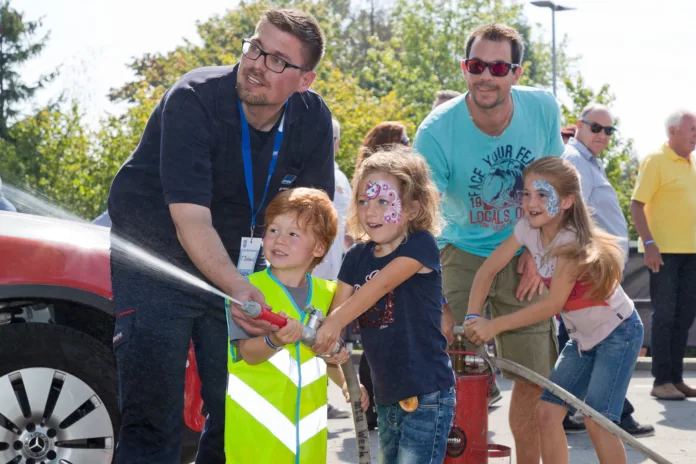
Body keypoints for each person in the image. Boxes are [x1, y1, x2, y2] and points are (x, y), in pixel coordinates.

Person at [106, 9, 335, 463]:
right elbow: (190, 220)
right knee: (153, 417)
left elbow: (311, 224)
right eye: (255, 48)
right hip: (157, 256)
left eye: (277, 61)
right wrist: (237, 288)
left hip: (237, 265)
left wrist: (313, 309)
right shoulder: (194, 98)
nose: (256, 64)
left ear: (305, 81)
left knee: (237, 409)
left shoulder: (313, 120)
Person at [414, 23, 564, 464]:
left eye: (498, 68)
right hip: (462, 250)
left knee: (534, 379)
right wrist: (438, 302)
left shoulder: (542, 108)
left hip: (525, 247)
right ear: (464, 68)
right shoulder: (436, 131)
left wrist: (540, 250)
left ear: (516, 73)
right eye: (476, 65)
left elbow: (556, 186)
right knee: (456, 369)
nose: (486, 76)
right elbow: (421, 220)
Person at [465, 156, 643, 464]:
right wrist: (472, 316)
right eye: (526, 194)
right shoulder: (526, 229)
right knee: (547, 413)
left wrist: (493, 326)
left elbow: (552, 305)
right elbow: (488, 270)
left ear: (566, 202)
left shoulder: (571, 241)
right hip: (583, 340)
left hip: (619, 333)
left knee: (597, 421)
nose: (531, 202)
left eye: (542, 194)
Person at [312, 148, 456, 463]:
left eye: (382, 201)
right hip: (385, 395)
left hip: (427, 393)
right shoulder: (356, 257)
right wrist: (346, 379)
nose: (370, 211)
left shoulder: (420, 245)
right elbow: (337, 320)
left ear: (413, 208)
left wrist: (333, 323)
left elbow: (380, 286)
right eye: (363, 201)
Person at [225, 187, 368, 463]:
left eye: (293, 234)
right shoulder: (249, 291)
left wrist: (347, 384)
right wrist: (275, 340)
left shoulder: (328, 295)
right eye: (273, 230)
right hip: (255, 441)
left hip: (308, 443)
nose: (279, 239)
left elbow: (326, 357)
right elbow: (246, 354)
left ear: (318, 248)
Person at [561, 104, 654, 437]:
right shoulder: (574, 160)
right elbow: (575, 218)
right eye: (596, 127)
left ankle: (564, 411)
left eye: (609, 130)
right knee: (611, 337)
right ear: (579, 125)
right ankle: (614, 414)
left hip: (598, 269)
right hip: (592, 271)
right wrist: (591, 266)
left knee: (584, 340)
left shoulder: (588, 161)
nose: (603, 135)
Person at [630, 109, 696, 401]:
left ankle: (676, 379)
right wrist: (649, 244)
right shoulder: (655, 160)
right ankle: (661, 381)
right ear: (673, 132)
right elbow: (636, 205)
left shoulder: (691, 164)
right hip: (664, 253)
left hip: (691, 254)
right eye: (692, 129)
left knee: (684, 317)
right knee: (665, 316)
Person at [352, 120, 412, 430]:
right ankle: (371, 406)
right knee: (374, 339)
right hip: (375, 266)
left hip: (400, 267)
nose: (409, 145)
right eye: (404, 139)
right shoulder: (372, 183)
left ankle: (390, 404)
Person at [311, 118, 353, 420]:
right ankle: (316, 399)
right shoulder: (307, 172)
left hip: (334, 277)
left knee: (326, 339)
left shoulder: (341, 177)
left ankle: (325, 397)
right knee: (310, 337)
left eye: (331, 138)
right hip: (308, 275)